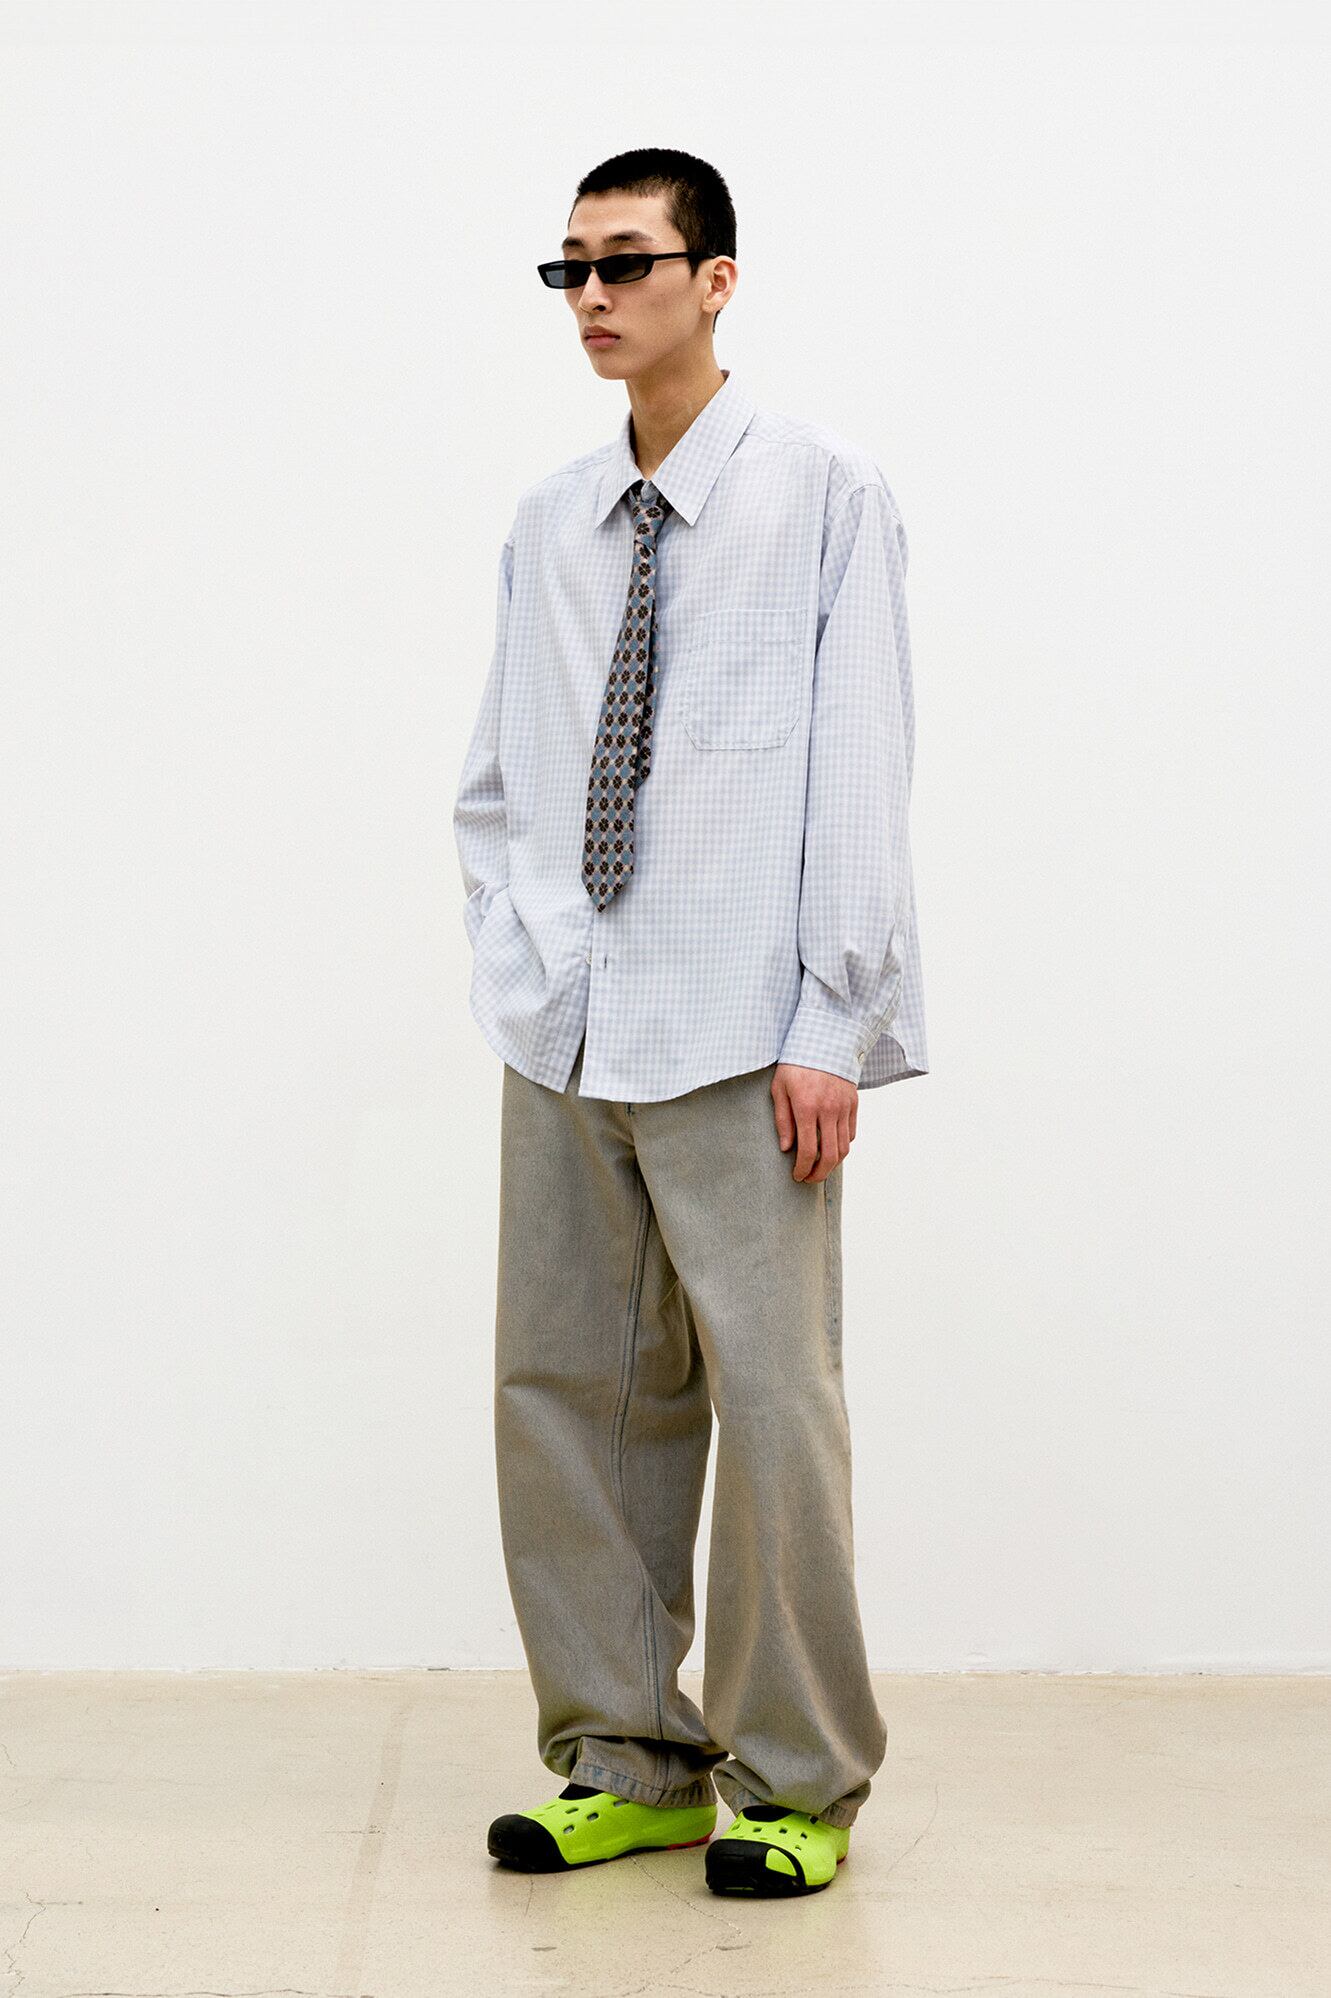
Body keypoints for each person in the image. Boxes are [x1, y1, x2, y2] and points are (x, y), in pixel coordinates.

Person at [453, 147, 928, 1898]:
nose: (592, 295)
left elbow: (861, 767)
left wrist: (834, 1020)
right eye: (570, 268)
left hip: (749, 1032)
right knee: (565, 1394)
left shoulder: (825, 494)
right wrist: (521, 959)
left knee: (776, 1403)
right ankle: (625, 1756)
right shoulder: (550, 522)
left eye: (627, 261)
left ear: (715, 278)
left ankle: (795, 1780)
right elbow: (500, 778)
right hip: (570, 1028)